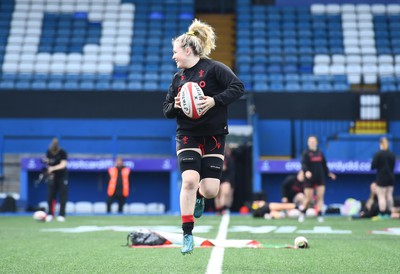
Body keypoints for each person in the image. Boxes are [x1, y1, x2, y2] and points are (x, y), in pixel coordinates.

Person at [162, 19, 245, 255]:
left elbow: (238, 87)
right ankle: (187, 233)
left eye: (175, 52)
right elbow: (166, 109)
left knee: (210, 190)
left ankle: (201, 195)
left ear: (187, 50)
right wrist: (176, 105)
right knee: (188, 180)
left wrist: (214, 100)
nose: (173, 57)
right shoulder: (177, 79)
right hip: (188, 134)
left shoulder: (215, 68)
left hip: (214, 135)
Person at [298, 135, 336, 223]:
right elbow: (303, 165)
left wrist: (329, 174)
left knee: (320, 197)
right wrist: (306, 171)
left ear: (316, 142)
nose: (312, 143)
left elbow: (324, 165)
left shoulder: (320, 153)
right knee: (308, 198)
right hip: (309, 178)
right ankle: (303, 213)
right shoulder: (305, 153)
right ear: (308, 143)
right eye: (310, 141)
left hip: (320, 177)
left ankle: (319, 214)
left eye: (313, 141)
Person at [370, 137, 396, 219]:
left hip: (381, 178)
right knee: (389, 196)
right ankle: (390, 212)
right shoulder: (392, 154)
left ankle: (383, 213)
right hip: (391, 178)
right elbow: (393, 166)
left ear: (380, 144)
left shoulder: (378, 154)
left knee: (381, 196)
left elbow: (373, 166)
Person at [44, 138, 68, 222]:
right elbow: (47, 162)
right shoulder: (49, 152)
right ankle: (50, 214)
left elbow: (63, 164)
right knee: (50, 196)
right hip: (52, 177)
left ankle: (62, 215)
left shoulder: (62, 152)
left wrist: (53, 168)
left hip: (62, 177)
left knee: (63, 196)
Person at [214, 145, 235, 215]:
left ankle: (223, 208)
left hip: (226, 178)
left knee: (225, 193)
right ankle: (218, 209)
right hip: (217, 176)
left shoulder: (229, 159)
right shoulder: (217, 157)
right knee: (217, 195)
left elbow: (225, 168)